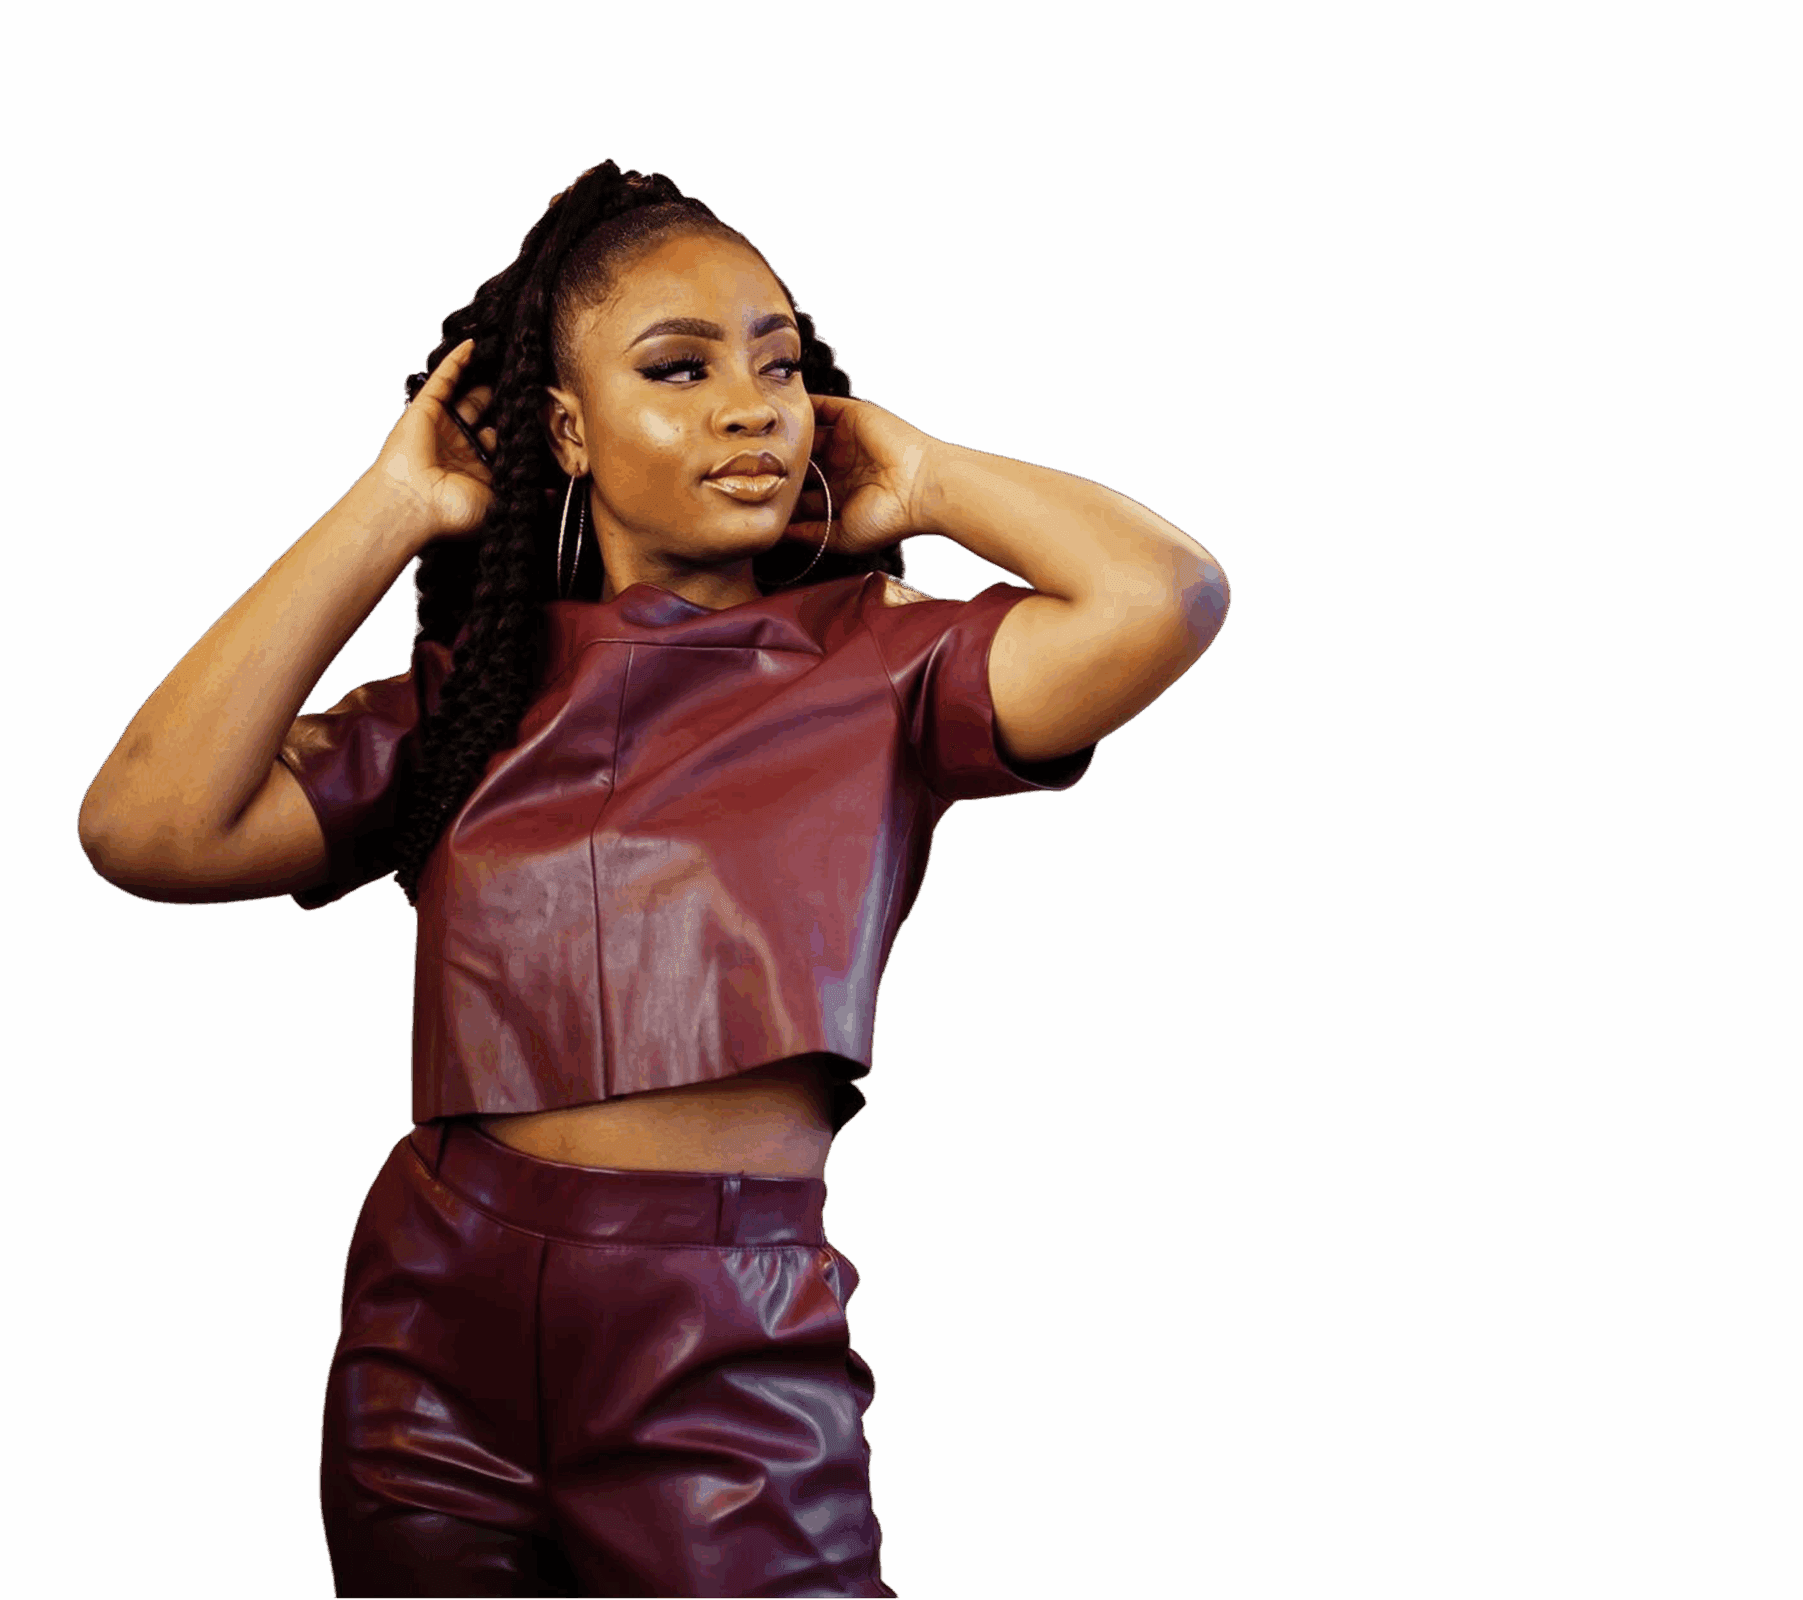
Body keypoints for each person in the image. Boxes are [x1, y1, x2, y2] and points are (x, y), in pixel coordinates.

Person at [78, 159, 1228, 1597]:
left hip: (719, 1340)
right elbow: (144, 825)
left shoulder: (886, 659)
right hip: (431, 1323)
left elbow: (1163, 597)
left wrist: (926, 476)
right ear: (567, 428)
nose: (751, 406)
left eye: (778, 364)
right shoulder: (470, 699)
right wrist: (389, 506)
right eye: (680, 369)